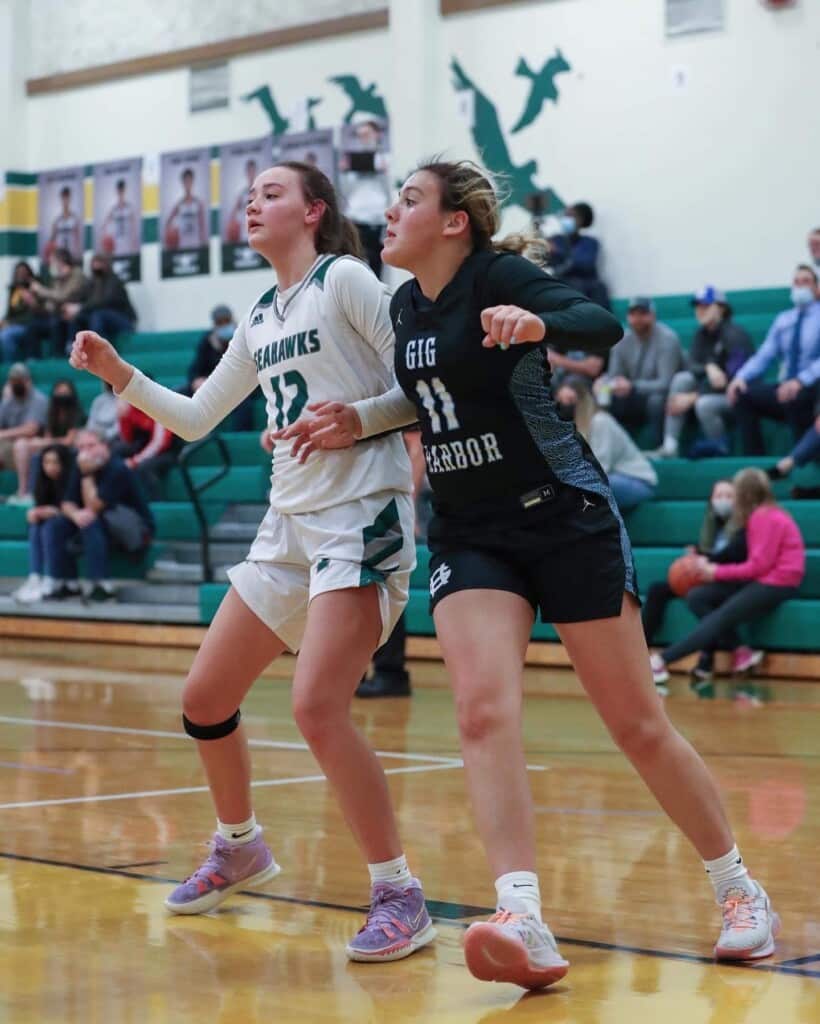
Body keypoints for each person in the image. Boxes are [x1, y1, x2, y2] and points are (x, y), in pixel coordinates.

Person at [278, 159, 780, 989]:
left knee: (637, 725)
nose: (392, 211)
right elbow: (421, 399)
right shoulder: (405, 306)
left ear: (453, 223)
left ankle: (737, 887)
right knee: (480, 714)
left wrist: (533, 323)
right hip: (473, 530)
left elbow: (600, 323)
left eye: (410, 199)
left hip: (564, 516)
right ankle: (523, 916)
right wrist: (355, 420)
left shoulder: (498, 275)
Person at [68, 161, 436, 963]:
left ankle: (399, 890)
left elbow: (425, 384)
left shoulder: (348, 281)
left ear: (313, 211)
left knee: (317, 707)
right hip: (287, 526)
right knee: (204, 698)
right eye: (249, 195)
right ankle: (240, 844)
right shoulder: (263, 314)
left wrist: (356, 422)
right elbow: (198, 419)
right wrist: (119, 376)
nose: (252, 203)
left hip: (358, 519)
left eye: (270, 193)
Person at [650, 468, 804, 686]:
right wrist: (711, 568)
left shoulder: (764, 517)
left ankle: (661, 660)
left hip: (778, 582)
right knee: (698, 597)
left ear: (744, 495)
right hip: (765, 578)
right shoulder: (764, 513)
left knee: (722, 616)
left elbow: (758, 567)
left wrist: (715, 572)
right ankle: (740, 650)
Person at [641, 479, 747, 692]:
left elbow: (733, 556)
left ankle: (708, 659)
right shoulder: (712, 523)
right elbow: (710, 551)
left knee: (700, 597)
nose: (723, 500)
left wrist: (705, 560)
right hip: (705, 574)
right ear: (711, 500)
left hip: (728, 579)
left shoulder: (743, 527)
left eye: (728, 496)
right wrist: (697, 554)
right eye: (719, 496)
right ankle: (640, 650)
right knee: (658, 589)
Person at [50, 428, 154, 601]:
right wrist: (76, 515)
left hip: (135, 529)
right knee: (58, 524)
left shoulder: (117, 468)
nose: (86, 452)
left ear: (105, 446)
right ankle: (67, 583)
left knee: (91, 521)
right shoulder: (81, 466)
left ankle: (100, 584)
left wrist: (87, 474)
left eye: (91, 446)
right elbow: (66, 503)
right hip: (103, 525)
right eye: (81, 447)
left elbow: (94, 505)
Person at [727, 266, 820, 455]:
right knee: (743, 396)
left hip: (812, 389)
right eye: (796, 282)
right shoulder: (783, 320)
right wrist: (740, 377)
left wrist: (800, 381)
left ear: (817, 288)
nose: (800, 286)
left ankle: (802, 462)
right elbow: (764, 355)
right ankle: (754, 463)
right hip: (786, 387)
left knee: (796, 397)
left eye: (806, 281)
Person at [658, 286, 754, 458]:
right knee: (682, 379)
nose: (700, 310)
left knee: (704, 404)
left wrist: (693, 397)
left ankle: (720, 448)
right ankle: (670, 445)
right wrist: (709, 367)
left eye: (706, 305)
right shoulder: (701, 334)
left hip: (740, 397)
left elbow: (733, 382)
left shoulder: (735, 335)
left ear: (721, 308)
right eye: (698, 306)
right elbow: (692, 365)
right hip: (710, 389)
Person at [554, 374, 657, 511]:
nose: (565, 406)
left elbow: (601, 469)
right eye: (561, 401)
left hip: (638, 482)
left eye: (571, 400)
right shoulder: (570, 430)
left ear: (583, 401)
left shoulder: (600, 421)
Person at [595, 297, 684, 449]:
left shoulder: (667, 339)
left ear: (652, 316)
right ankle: (613, 449)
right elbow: (614, 376)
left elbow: (666, 383)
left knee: (655, 401)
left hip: (662, 394)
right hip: (632, 394)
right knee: (604, 395)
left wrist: (632, 386)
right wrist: (604, 383)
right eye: (633, 314)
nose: (637, 319)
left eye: (642, 314)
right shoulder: (622, 340)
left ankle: (659, 447)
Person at [12, 444, 74, 604]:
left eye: (55, 462)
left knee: (50, 526)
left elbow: (76, 508)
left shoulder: (73, 479)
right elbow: (41, 507)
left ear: (64, 463)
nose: (50, 467)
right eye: (47, 462)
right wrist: (35, 512)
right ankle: (35, 578)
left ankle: (50, 579)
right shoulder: (42, 481)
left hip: (74, 526)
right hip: (52, 524)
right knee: (36, 526)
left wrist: (54, 511)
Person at [10, 379, 84, 503]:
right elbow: (48, 439)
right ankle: (29, 493)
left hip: (71, 449)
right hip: (55, 446)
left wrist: (43, 442)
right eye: (59, 392)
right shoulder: (51, 412)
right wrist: (42, 442)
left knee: (44, 451)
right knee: (37, 457)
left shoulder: (77, 412)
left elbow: (69, 441)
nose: (62, 396)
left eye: (65, 392)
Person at [187, 304, 255, 431]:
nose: (224, 325)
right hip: (211, 386)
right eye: (220, 322)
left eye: (226, 321)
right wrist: (196, 380)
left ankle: (237, 441)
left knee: (243, 404)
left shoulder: (242, 337)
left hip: (237, 386)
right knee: (181, 392)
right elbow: (194, 369)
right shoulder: (207, 340)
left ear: (232, 320)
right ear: (214, 325)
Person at [546, 201, 610, 309]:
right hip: (561, 287)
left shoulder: (590, 242)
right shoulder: (555, 240)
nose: (566, 219)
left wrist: (557, 251)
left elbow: (585, 263)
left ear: (581, 220)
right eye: (565, 216)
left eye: (570, 216)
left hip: (585, 289)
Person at [29, 248, 91, 357]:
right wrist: (35, 303)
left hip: (82, 312)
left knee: (63, 321)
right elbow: (51, 305)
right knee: (35, 325)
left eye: (53, 261)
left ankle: (69, 354)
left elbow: (63, 296)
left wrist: (40, 290)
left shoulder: (77, 274)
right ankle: (39, 358)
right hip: (61, 314)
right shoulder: (58, 278)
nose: (50, 265)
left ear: (61, 261)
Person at [68, 253, 137, 347]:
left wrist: (81, 307)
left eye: (99, 263)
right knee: (77, 317)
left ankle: (100, 349)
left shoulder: (114, 281)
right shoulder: (91, 282)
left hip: (123, 320)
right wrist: (70, 306)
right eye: (94, 263)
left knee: (98, 315)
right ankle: (73, 348)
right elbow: (79, 296)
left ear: (106, 264)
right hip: (100, 320)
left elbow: (105, 301)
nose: (96, 266)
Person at [0, 364, 48, 496]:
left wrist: (3, 434)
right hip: (9, 446)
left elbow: (31, 429)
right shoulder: (8, 401)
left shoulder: (38, 399)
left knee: (21, 445)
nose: (16, 384)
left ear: (28, 380)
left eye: (19, 380)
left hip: (35, 446)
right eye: (13, 381)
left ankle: (23, 492)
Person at [115, 399, 176, 501]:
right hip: (144, 447)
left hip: (168, 451)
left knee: (144, 468)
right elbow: (127, 439)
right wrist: (122, 418)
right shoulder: (132, 408)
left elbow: (159, 443)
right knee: (115, 452)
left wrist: (135, 461)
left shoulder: (160, 409)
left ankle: (157, 504)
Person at [0, 262, 49, 362]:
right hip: (14, 324)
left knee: (6, 335)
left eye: (23, 273)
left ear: (29, 274)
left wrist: (32, 301)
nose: (21, 276)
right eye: (18, 273)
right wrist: (4, 321)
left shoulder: (35, 288)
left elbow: (40, 311)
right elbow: (10, 313)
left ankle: (10, 366)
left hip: (29, 325)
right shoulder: (14, 289)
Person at [165, 167, 208, 250]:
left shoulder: (198, 203)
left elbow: (202, 227)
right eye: (185, 181)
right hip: (182, 244)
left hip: (196, 243)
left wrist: (204, 243)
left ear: (193, 182)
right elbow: (168, 223)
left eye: (189, 181)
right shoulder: (179, 204)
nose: (188, 184)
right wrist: (174, 231)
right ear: (182, 183)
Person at [100, 178, 140, 256]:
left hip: (128, 243)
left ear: (125, 190)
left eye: (122, 190)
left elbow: (134, 227)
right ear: (117, 191)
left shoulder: (129, 208)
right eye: (119, 190)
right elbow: (103, 226)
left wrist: (134, 241)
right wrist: (105, 237)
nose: (120, 192)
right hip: (116, 244)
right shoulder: (113, 209)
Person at [48, 185, 82, 260]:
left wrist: (77, 253)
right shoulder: (57, 220)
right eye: (63, 198)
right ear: (61, 199)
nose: (65, 200)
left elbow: (77, 239)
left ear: (70, 199)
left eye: (67, 197)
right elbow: (52, 239)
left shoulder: (75, 219)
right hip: (60, 255)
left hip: (72, 254)